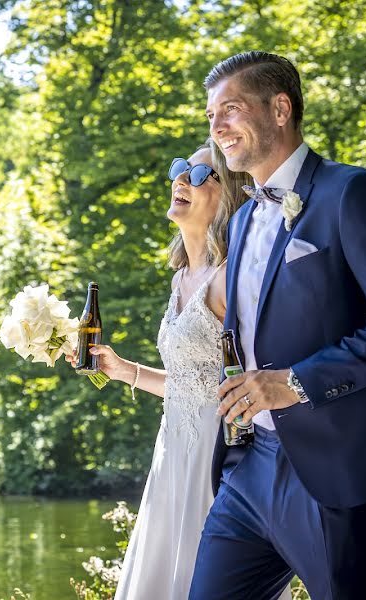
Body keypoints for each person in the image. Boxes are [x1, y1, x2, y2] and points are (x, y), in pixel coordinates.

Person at [188, 51, 366, 600]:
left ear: (280, 109)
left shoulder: (352, 192)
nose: (216, 128)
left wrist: (295, 381)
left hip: (343, 468)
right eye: (210, 116)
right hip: (249, 466)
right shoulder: (240, 220)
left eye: (229, 110)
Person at [69, 139, 290, 600]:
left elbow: (253, 380)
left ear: (227, 194)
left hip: (218, 456)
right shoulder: (179, 280)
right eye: (178, 169)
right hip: (173, 449)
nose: (179, 180)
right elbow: (193, 383)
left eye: (196, 174)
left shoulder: (232, 277)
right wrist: (120, 368)